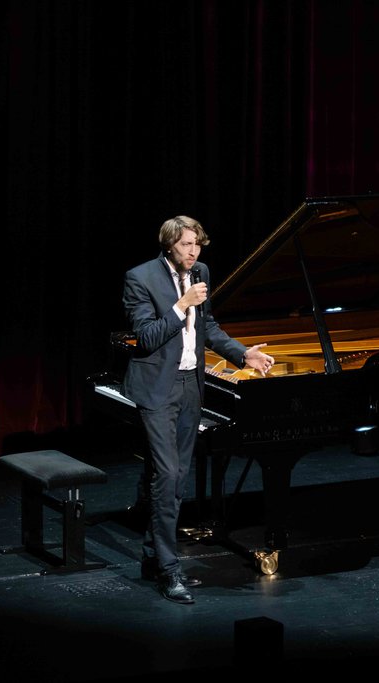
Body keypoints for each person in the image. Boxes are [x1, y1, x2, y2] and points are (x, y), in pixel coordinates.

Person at [122, 215, 274, 604]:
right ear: (169, 244)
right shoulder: (140, 278)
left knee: (177, 477)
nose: (194, 252)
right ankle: (170, 571)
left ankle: (152, 555)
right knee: (168, 476)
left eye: (198, 245)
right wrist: (180, 305)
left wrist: (242, 354)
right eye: (187, 245)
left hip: (191, 386)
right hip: (157, 389)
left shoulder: (201, 270)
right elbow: (146, 338)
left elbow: (207, 328)